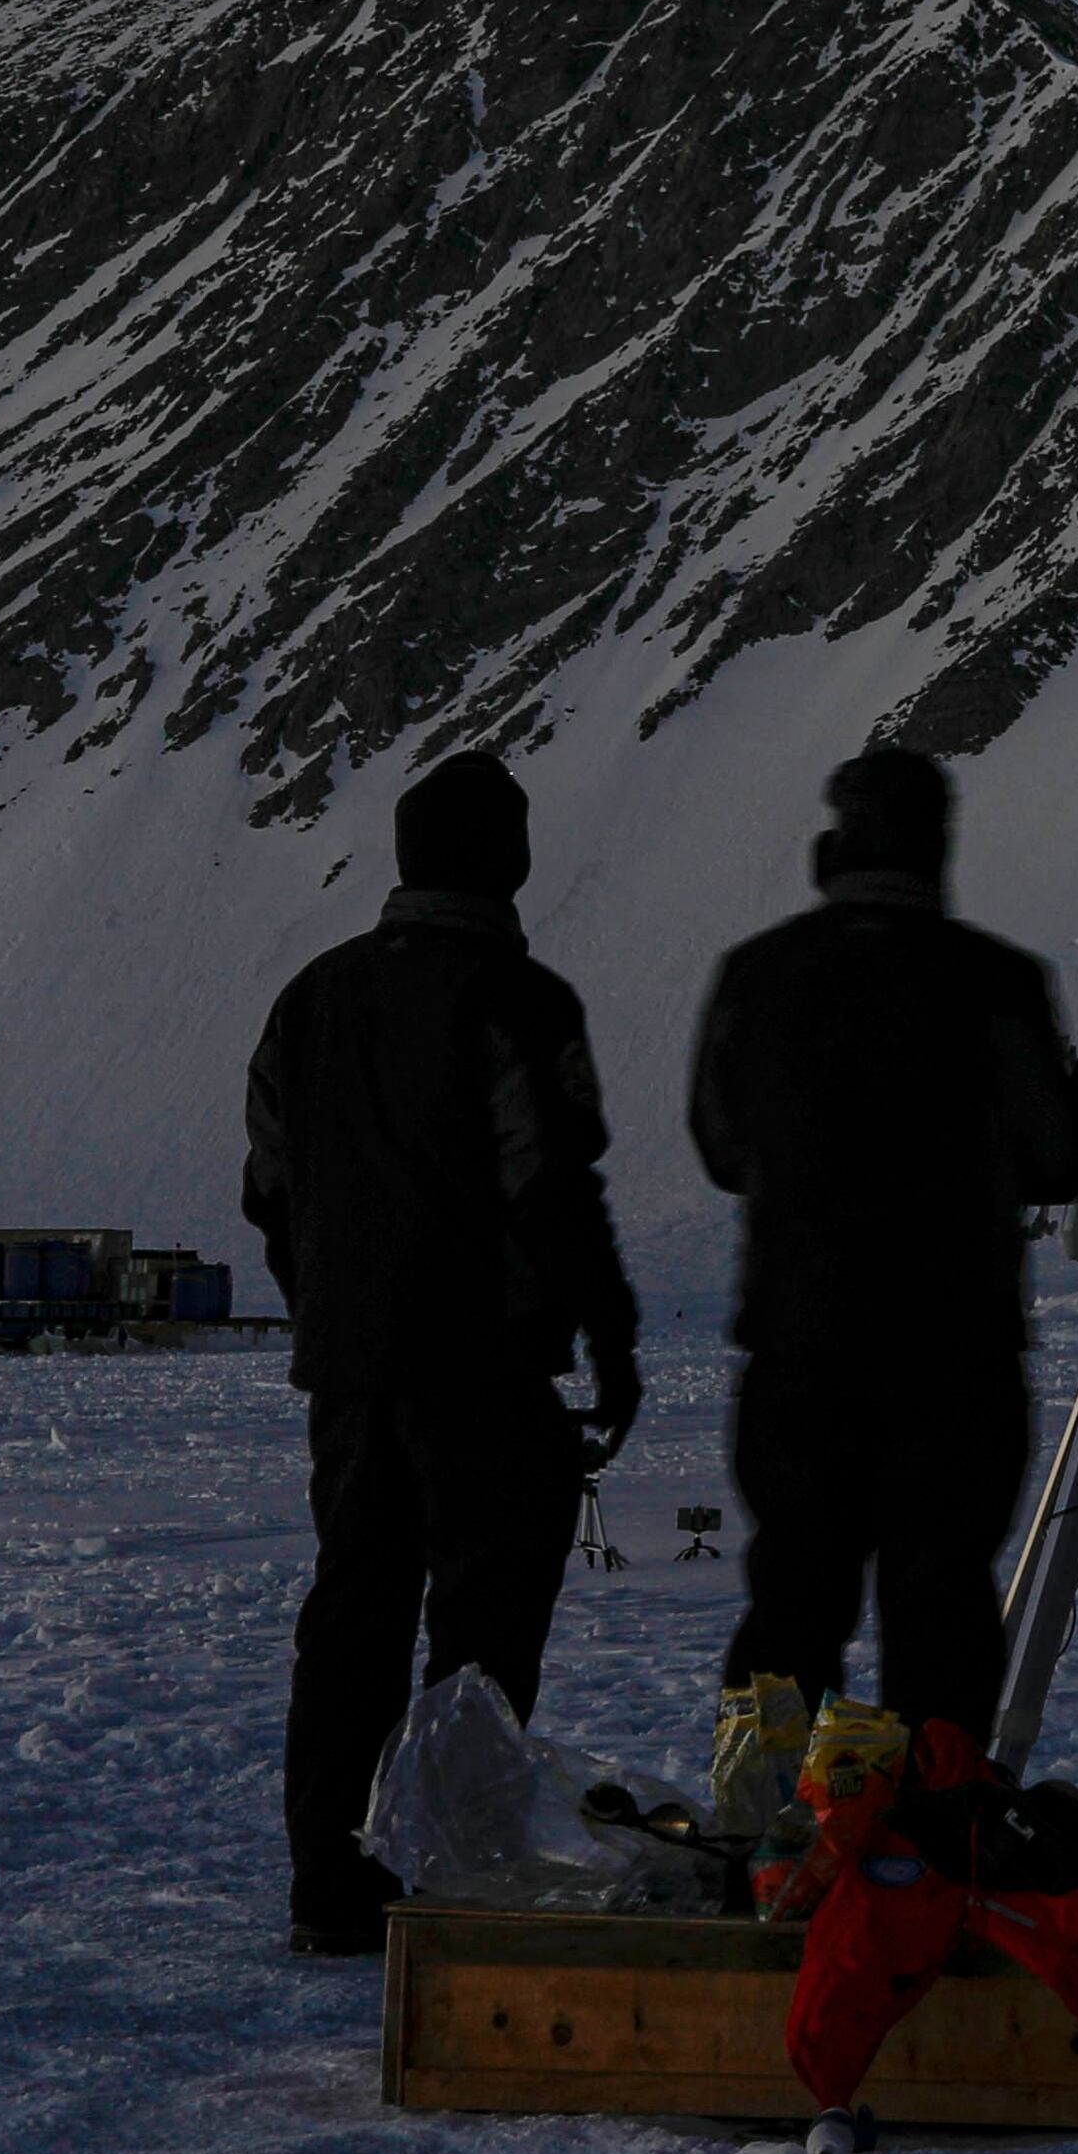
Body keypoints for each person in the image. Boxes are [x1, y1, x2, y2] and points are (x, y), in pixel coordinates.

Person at [247, 750, 644, 1957]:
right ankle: (450, 1870)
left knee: (351, 1616)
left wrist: (332, 1311)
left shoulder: (310, 997)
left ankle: (331, 1884)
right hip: (484, 1374)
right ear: (504, 858)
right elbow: (552, 1187)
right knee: (482, 1629)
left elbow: (272, 1186)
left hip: (351, 1376)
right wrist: (609, 1339)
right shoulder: (516, 998)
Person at [690, 746, 1078, 1743]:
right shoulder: (997, 979)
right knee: (942, 1608)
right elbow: (1058, 1154)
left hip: (798, 1346)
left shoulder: (760, 972)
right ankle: (933, 1846)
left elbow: (719, 1141)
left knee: (790, 1600)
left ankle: (762, 1835)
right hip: (956, 1353)